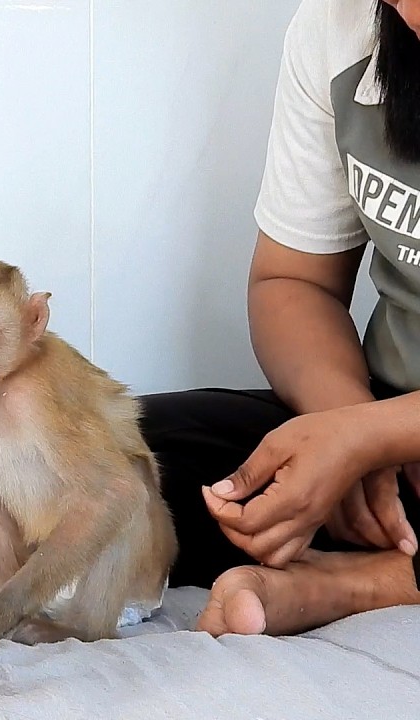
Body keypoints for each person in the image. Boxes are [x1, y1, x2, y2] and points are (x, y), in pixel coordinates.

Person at [142, 0, 420, 636]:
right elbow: (292, 283)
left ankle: (365, 582)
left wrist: (378, 436)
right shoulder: (336, 26)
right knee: (123, 459)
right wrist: (344, 427)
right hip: (385, 416)